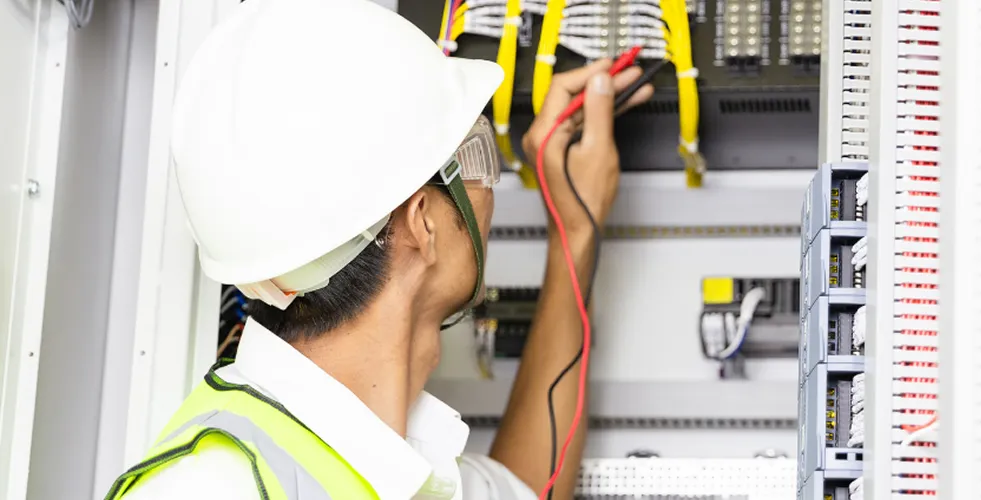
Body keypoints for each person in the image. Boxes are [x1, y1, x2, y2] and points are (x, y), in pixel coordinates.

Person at [103, 0, 652, 498]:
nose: (491, 192)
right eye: (478, 156)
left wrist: (575, 233)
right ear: (422, 223)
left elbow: (530, 487)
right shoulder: (211, 488)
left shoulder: (386, 453)